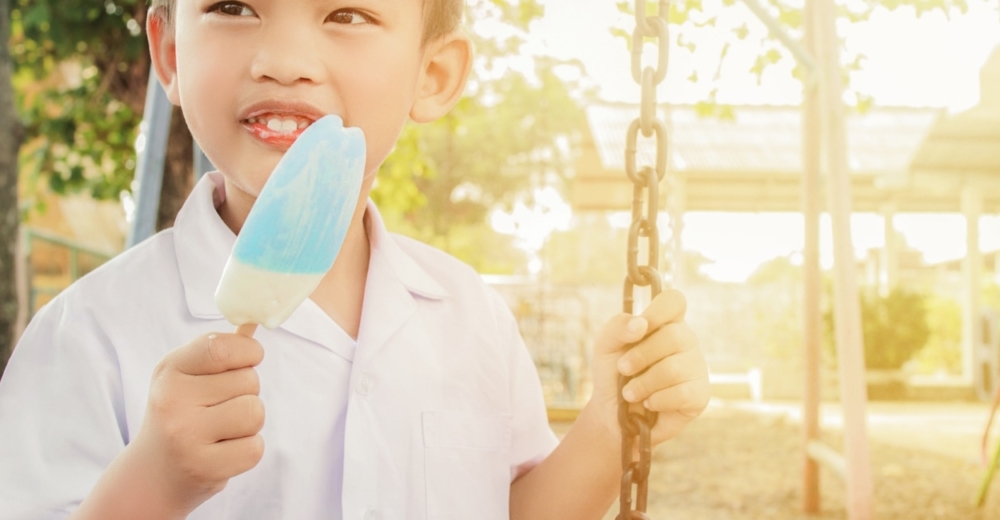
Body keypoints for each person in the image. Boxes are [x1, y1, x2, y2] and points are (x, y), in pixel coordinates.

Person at [0, 1, 710, 518]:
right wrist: (152, 484)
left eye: (345, 15)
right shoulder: (85, 337)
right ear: (172, 54)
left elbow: (513, 511)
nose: (282, 61)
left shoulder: (471, 318)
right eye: (232, 7)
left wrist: (608, 430)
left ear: (432, 74)